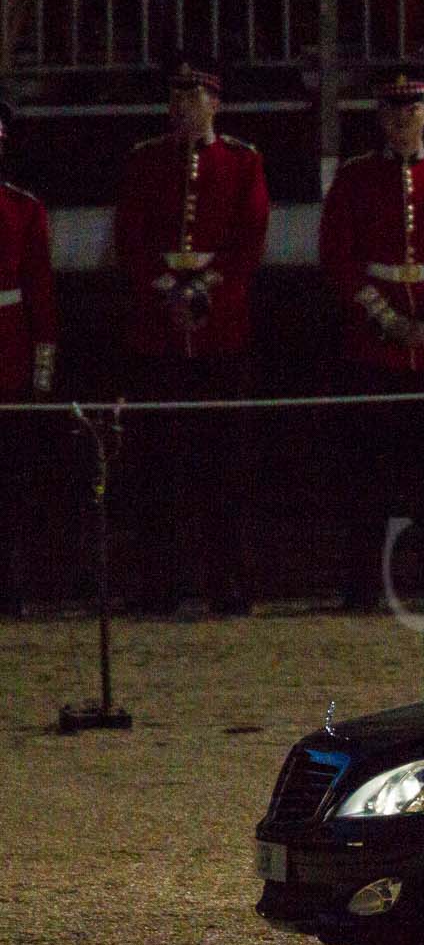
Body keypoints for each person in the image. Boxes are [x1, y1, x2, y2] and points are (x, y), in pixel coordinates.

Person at [317, 72, 424, 608]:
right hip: (376, 345)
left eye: (411, 109)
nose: (401, 120)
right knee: (369, 475)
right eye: (392, 111)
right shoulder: (355, 179)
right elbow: (338, 257)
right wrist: (386, 319)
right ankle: (365, 587)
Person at [113, 53, 271, 614]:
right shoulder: (145, 161)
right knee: (156, 468)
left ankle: (227, 584)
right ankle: (158, 584)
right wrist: (169, 290)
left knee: (224, 470)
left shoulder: (242, 162)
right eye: (177, 97)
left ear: (215, 102)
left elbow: (248, 241)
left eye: (194, 96)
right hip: (157, 335)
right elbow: (130, 239)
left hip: (219, 334)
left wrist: (205, 291)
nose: (183, 107)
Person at [0, 99, 54, 617]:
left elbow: (39, 289)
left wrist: (42, 364)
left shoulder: (22, 207)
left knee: (11, 482)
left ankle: (14, 588)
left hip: (8, 355)